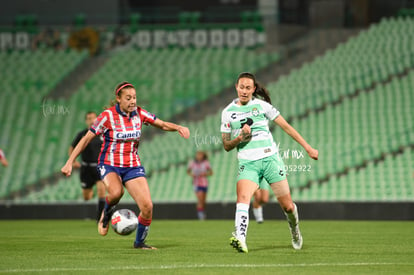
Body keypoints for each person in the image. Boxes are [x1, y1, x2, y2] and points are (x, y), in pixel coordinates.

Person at [61, 81, 190, 249]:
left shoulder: (139, 114)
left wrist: (178, 127)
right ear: (118, 99)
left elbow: (162, 124)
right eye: (128, 98)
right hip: (109, 164)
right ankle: (106, 213)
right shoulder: (107, 116)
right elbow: (86, 139)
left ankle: (139, 243)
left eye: (134, 97)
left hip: (132, 165)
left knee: (147, 206)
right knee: (116, 192)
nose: (133, 101)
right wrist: (70, 162)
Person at [220, 72, 318, 253]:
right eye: (241, 87)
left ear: (253, 89)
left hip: (270, 159)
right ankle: (240, 237)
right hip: (248, 162)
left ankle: (295, 229)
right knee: (242, 199)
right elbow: (226, 145)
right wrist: (240, 138)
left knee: (288, 206)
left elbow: (287, 127)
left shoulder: (262, 106)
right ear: (236, 87)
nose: (244, 91)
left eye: (248, 88)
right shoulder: (227, 113)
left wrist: (308, 147)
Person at [69, 111, 105, 222]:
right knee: (87, 197)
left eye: (93, 118)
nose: (91, 120)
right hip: (86, 168)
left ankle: (100, 218)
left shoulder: (102, 134)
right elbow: (72, 148)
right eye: (89, 118)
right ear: (86, 121)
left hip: (99, 167)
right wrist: (73, 160)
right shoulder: (82, 135)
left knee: (101, 190)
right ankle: (90, 191)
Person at [187, 151, 213, 220]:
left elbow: (211, 172)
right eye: (198, 155)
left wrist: (205, 174)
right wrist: (192, 175)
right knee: (200, 200)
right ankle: (200, 216)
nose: (198, 156)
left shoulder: (206, 163)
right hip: (196, 183)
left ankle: (203, 212)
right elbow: (188, 171)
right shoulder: (192, 163)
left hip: (204, 183)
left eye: (200, 155)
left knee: (203, 201)